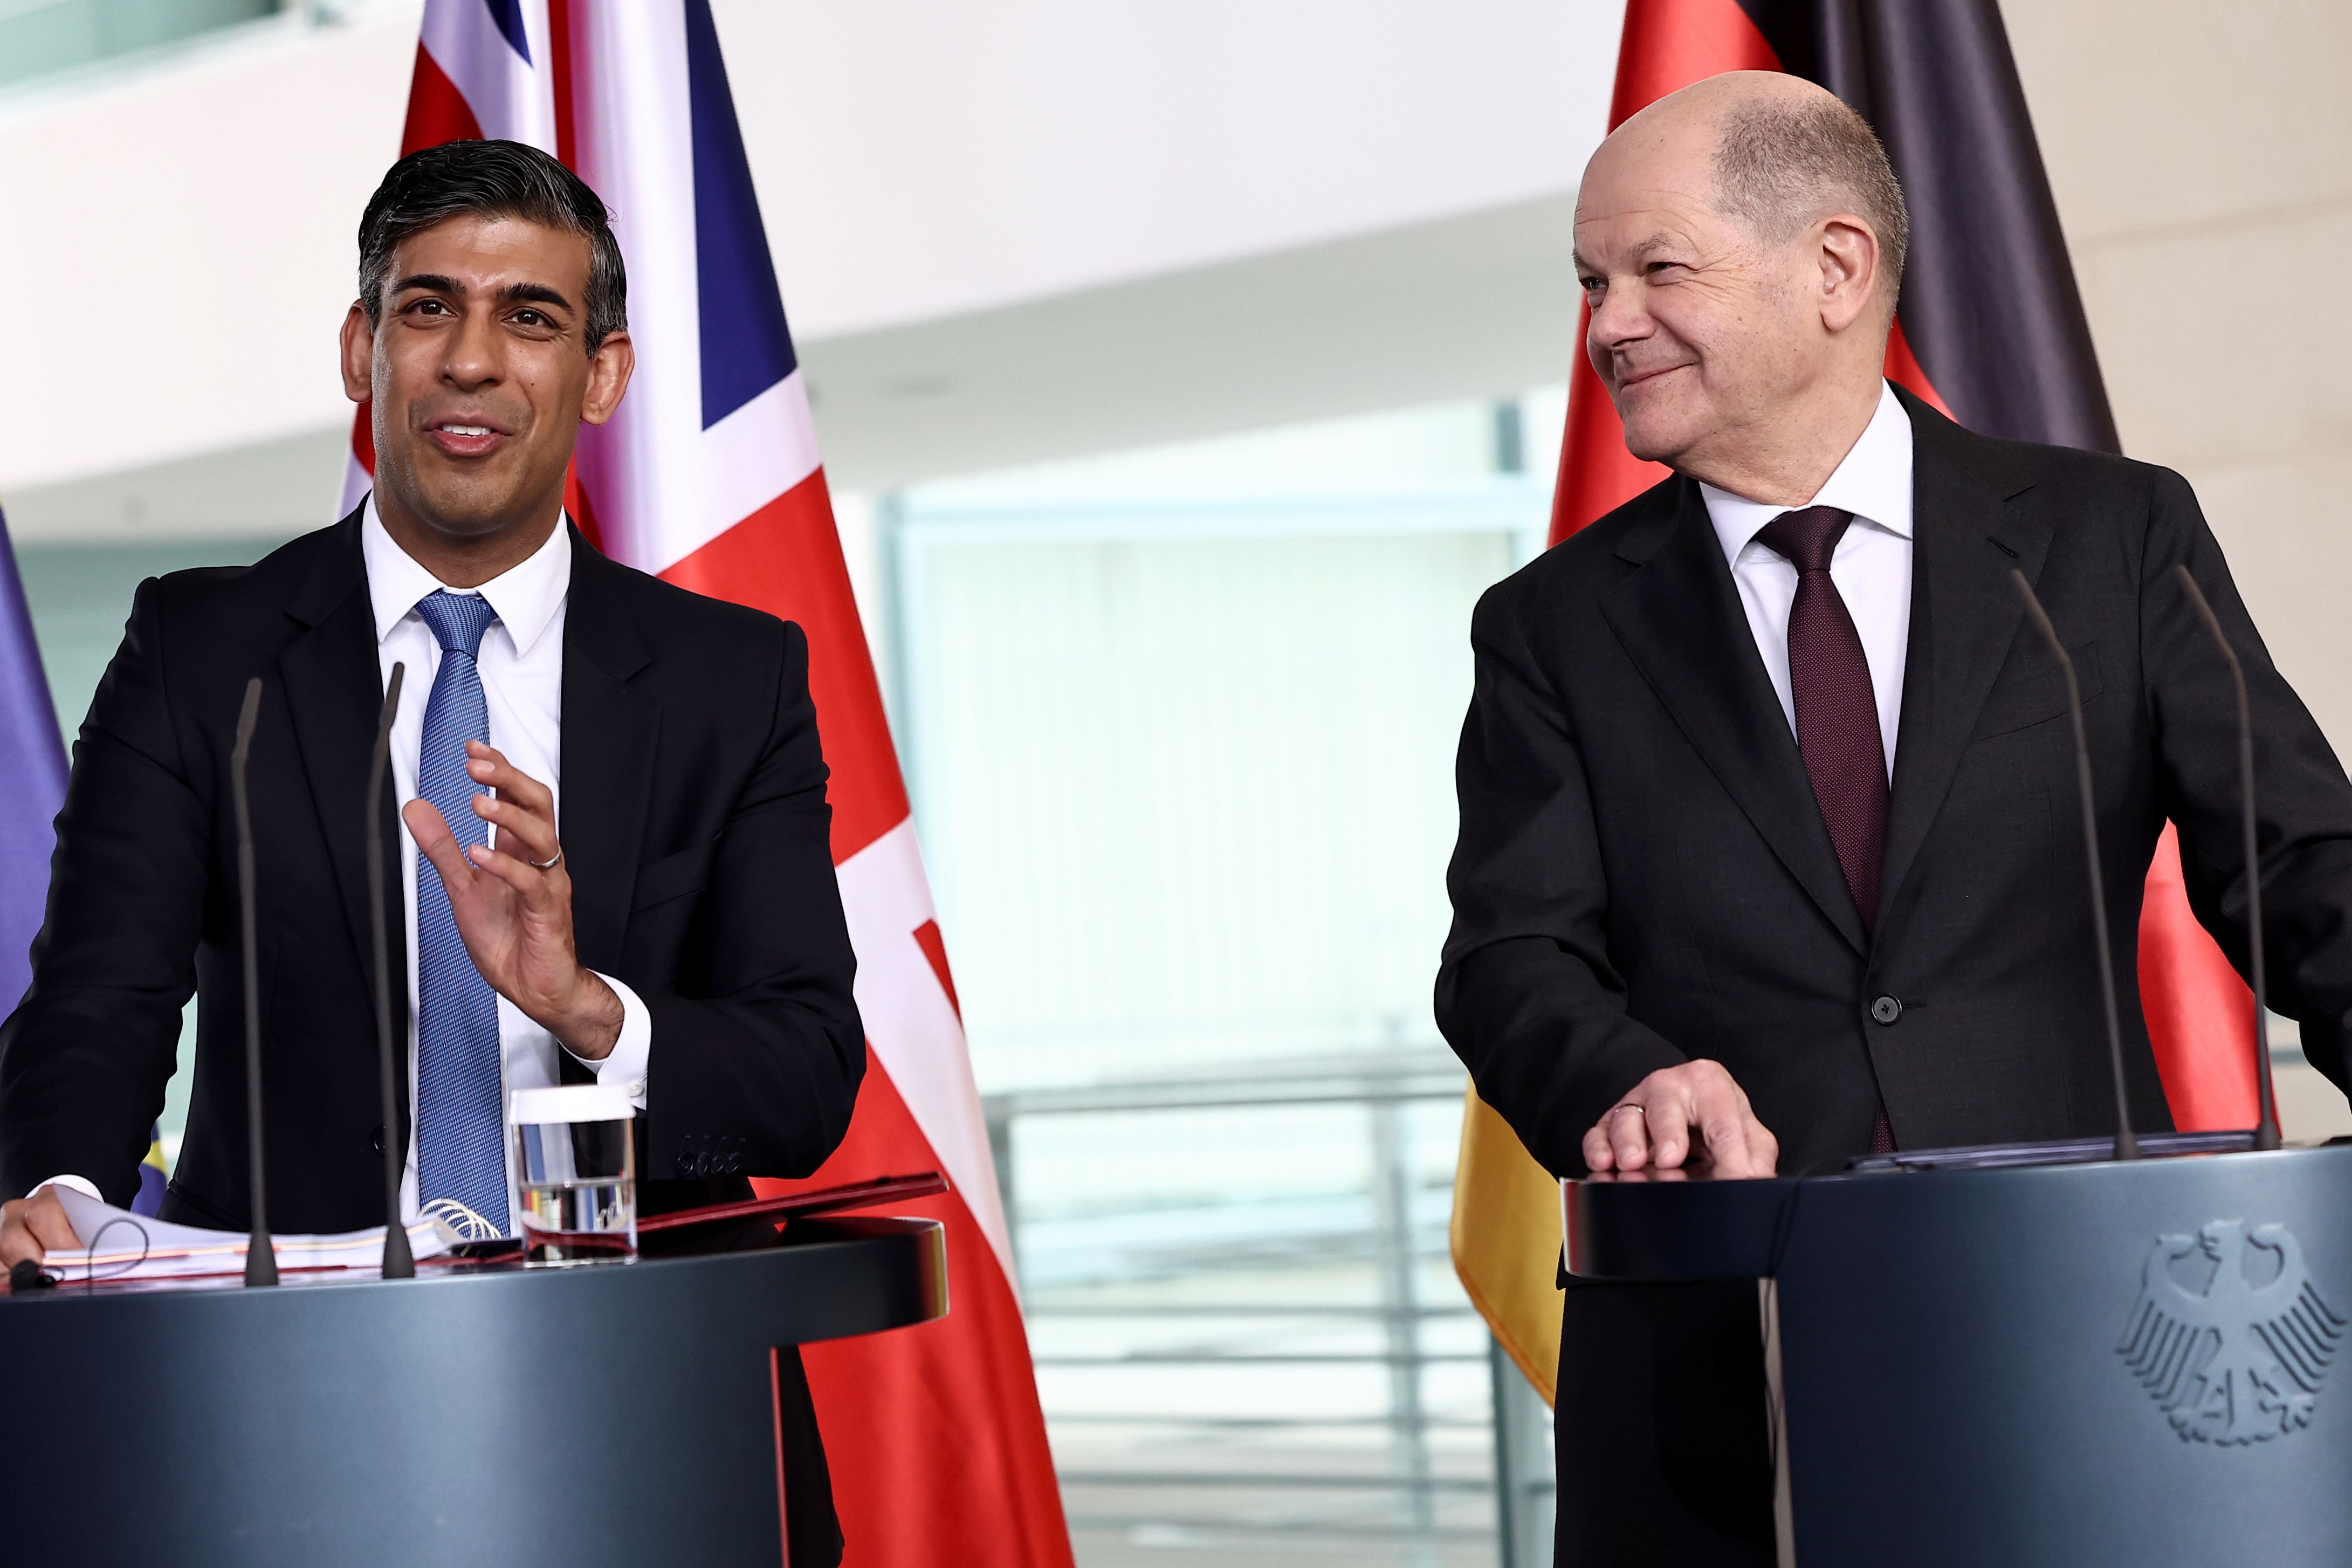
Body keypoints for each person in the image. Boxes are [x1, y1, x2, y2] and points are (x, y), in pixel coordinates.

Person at [1435, 70, 2352, 1564]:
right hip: (1717, 1368)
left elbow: (2299, 861)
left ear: (1835, 266)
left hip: (2082, 1332)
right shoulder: (1548, 627)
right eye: (1592, 281)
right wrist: (1628, 1072)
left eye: (1657, 269)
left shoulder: (2106, 539)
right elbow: (1505, 959)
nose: (1605, 323)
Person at [0, 141, 862, 1561]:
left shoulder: (731, 677)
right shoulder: (204, 653)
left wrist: (591, 1009)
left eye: (529, 317)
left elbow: (805, 1072)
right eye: (425, 308)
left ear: (601, 374)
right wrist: (70, 1203)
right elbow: (98, 996)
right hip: (272, 1413)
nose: (471, 359)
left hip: (650, 1413)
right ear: (361, 347)